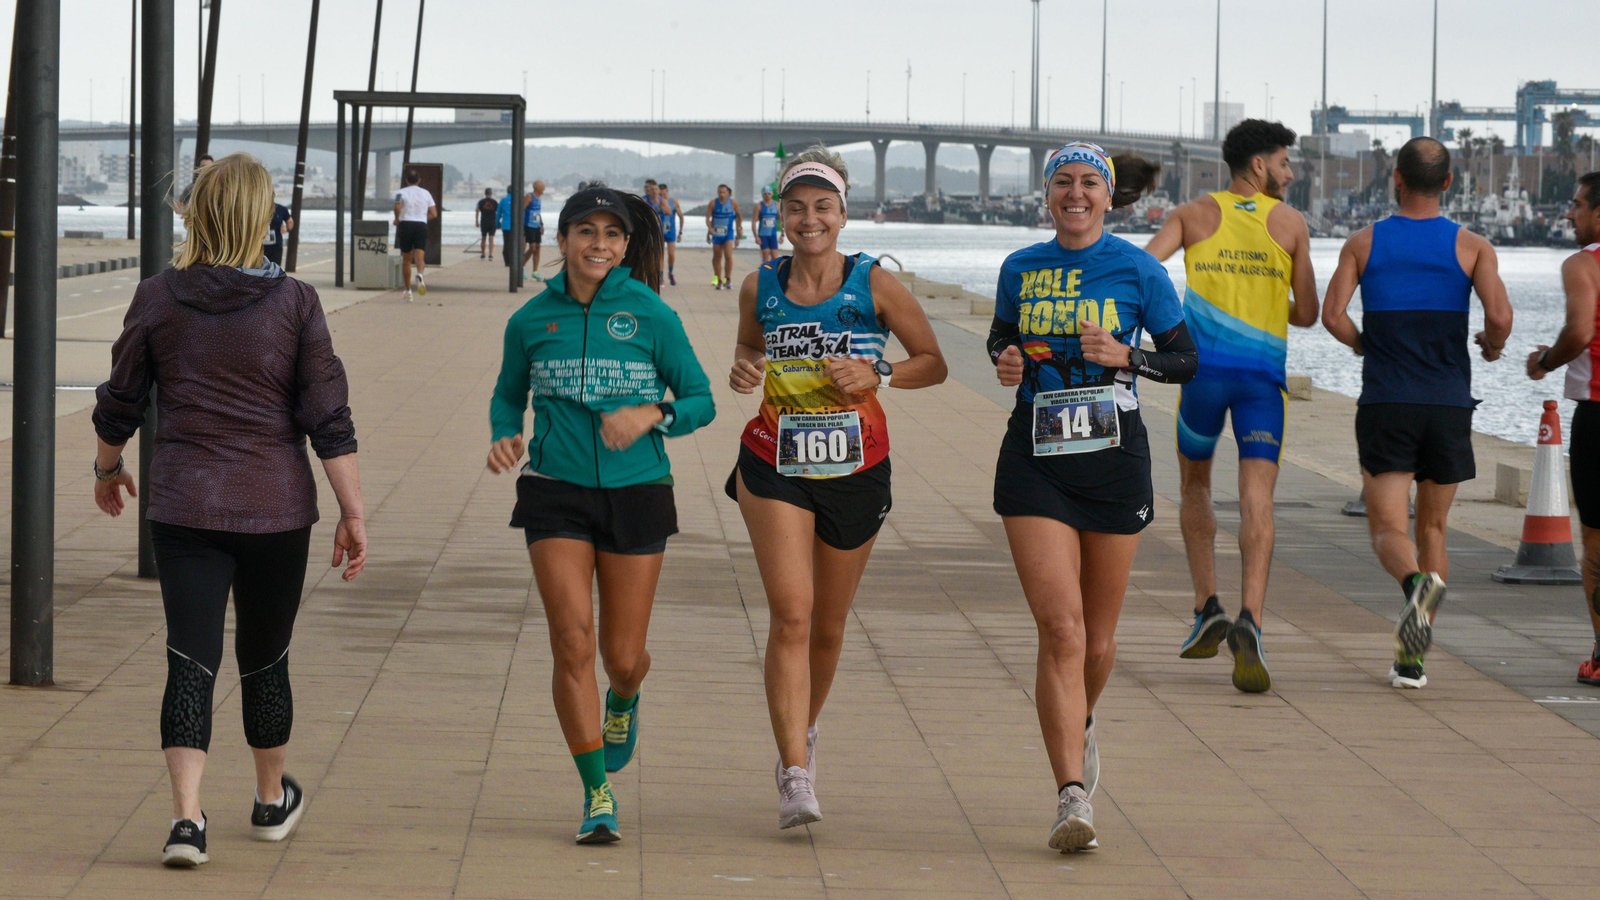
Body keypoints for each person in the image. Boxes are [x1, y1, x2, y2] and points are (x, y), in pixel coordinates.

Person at [90, 153, 367, 868]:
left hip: (184, 508)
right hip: (276, 509)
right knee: (265, 658)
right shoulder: (297, 302)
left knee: (191, 657)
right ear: (262, 217)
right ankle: (271, 801)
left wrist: (107, 467)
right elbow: (327, 417)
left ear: (198, 212)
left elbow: (119, 398)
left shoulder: (157, 297)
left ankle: (187, 821)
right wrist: (353, 511)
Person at [725, 145, 947, 830]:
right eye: (797, 208)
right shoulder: (758, 284)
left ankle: (806, 729)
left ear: (843, 214)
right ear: (780, 216)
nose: (809, 219)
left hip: (856, 467)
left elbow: (933, 362)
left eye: (823, 207)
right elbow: (751, 349)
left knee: (827, 623)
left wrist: (880, 375)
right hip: (775, 462)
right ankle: (794, 770)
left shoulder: (875, 285)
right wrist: (743, 369)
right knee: (791, 613)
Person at [487, 186, 715, 845]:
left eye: (612, 234)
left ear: (625, 245)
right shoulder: (529, 321)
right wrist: (505, 433)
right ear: (561, 241)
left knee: (620, 655)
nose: (599, 245)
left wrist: (655, 414)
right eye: (585, 231)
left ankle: (624, 698)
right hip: (554, 490)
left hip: (639, 489)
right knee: (571, 641)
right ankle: (596, 793)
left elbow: (700, 399)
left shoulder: (650, 314)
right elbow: (508, 397)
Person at [989, 142, 1196, 852]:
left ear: (1110, 198)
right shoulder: (1020, 269)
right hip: (1036, 459)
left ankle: (1078, 721)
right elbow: (1000, 341)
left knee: (1099, 642)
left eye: (1088, 184)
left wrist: (1128, 356)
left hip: (1113, 458)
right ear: (1047, 196)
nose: (1075, 194)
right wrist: (1006, 360)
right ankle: (1071, 794)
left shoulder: (1140, 270)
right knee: (1063, 631)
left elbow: (1185, 358)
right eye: (1063, 184)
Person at [1323, 136, 1513, 690]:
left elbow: (1333, 315)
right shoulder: (1473, 246)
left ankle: (1413, 586)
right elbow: (1499, 316)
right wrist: (1493, 346)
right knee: (1433, 526)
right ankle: (1413, 654)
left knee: (1387, 527)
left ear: (1396, 179)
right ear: (1449, 183)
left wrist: (1366, 345)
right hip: (1448, 403)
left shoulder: (1363, 243)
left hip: (1387, 401)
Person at [1144, 119, 1320, 693]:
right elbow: (1309, 312)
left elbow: (1144, 272)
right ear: (1259, 165)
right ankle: (1252, 621)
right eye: (1285, 163)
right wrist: (1267, 298)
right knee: (1256, 499)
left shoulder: (1192, 215)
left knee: (1195, 486)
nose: (1290, 174)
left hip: (1202, 379)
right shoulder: (1291, 225)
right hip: (1260, 385)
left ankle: (1206, 606)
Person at [1525, 171, 1600, 685]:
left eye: (1577, 205)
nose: (1569, 214)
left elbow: (1580, 330)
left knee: (1595, 541)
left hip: (1599, 412)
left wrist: (1545, 362)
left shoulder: (1582, 264)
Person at [393, 169, 437, 301]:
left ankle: (408, 291)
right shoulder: (426, 193)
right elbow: (434, 214)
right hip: (420, 226)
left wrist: (397, 219)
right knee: (420, 258)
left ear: (406, 180)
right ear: (419, 180)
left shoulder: (400, 192)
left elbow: (397, 207)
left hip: (406, 225)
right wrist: (423, 218)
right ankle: (420, 274)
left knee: (406, 259)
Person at [707, 183, 742, 289]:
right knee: (717, 257)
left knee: (728, 255)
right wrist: (710, 229)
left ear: (728, 193)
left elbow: (739, 216)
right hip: (717, 234)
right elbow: (708, 219)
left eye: (723, 192)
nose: (721, 194)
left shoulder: (733, 203)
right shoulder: (713, 203)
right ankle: (718, 279)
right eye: (720, 192)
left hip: (728, 234)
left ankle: (728, 279)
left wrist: (739, 229)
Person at [659, 183, 684, 285]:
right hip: (659, 232)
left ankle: (670, 273)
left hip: (671, 232)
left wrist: (680, 232)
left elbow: (681, 216)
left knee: (671, 254)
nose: (661, 193)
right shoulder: (656, 202)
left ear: (667, 191)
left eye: (663, 191)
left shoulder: (673, 202)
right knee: (660, 255)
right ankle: (661, 277)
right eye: (659, 191)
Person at [522, 180, 546, 281]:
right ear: (537, 187)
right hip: (528, 225)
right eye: (543, 187)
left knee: (538, 248)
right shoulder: (529, 196)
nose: (544, 189)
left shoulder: (539, 199)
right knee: (532, 247)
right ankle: (521, 266)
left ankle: (535, 272)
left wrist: (541, 224)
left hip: (536, 226)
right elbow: (522, 209)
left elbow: (537, 213)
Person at [755, 186, 782, 262]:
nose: (767, 195)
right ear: (763, 195)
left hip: (773, 235)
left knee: (774, 256)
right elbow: (754, 222)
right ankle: (764, 272)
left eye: (769, 193)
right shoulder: (759, 206)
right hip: (763, 235)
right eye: (765, 194)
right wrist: (756, 236)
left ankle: (772, 273)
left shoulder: (776, 205)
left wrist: (782, 235)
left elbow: (782, 221)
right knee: (765, 255)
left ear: (772, 194)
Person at [262, 201, 293, 268]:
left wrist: (286, 229)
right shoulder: (258, 207)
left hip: (276, 245)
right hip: (260, 245)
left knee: (275, 267)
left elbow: (290, 221)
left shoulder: (281, 209)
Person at [477, 188, 499, 260]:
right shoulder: (494, 202)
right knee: (491, 238)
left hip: (484, 221)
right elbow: (498, 211)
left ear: (485, 193)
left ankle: (483, 254)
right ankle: (490, 254)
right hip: (492, 221)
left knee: (483, 237)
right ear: (491, 194)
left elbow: (477, 211)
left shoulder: (480, 202)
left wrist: (476, 221)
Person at [497, 184, 515, 268]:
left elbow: (498, 213)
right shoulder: (517, 200)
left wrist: (497, 223)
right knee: (514, 243)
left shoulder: (503, 200)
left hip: (506, 225)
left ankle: (507, 261)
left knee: (507, 243)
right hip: (515, 226)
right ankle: (513, 260)